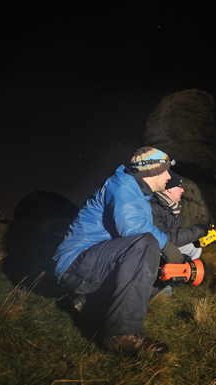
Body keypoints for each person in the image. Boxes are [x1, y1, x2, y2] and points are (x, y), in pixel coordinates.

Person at [53, 146, 186, 355]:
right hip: (76, 262)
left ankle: (94, 308)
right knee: (146, 244)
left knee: (161, 269)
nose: (169, 176)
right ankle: (121, 334)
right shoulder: (122, 184)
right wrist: (168, 246)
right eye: (166, 170)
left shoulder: (142, 196)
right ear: (151, 170)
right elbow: (133, 229)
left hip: (97, 262)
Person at [150, 170, 212, 295]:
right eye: (180, 186)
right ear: (169, 189)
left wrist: (197, 239)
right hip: (152, 251)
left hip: (164, 246)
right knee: (174, 249)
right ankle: (160, 284)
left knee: (195, 248)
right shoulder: (154, 207)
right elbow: (168, 239)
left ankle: (177, 276)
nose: (183, 190)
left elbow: (177, 234)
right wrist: (200, 230)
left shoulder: (172, 207)